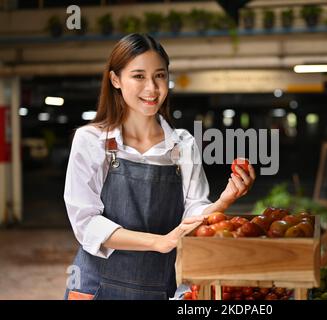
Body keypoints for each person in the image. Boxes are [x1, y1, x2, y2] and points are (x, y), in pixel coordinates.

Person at [63, 33, 256, 300]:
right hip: (95, 288)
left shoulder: (182, 145)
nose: (152, 88)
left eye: (160, 75)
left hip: (158, 288)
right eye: (139, 76)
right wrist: (159, 241)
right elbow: (85, 223)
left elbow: (193, 215)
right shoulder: (92, 140)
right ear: (116, 79)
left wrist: (224, 201)